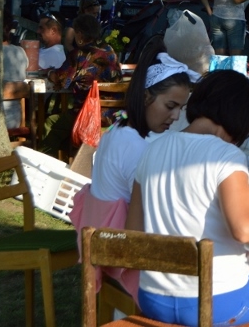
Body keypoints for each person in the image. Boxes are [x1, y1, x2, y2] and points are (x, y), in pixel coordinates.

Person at [127, 70, 249, 327]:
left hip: (153, 298)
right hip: (217, 298)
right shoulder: (226, 155)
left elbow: (133, 232)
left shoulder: (152, 150)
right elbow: (244, 230)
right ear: (240, 120)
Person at [70, 40, 198, 302]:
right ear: (146, 97)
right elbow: (158, 211)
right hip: (121, 255)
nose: (175, 116)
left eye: (181, 109)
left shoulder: (118, 129)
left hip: (106, 243)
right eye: (170, 106)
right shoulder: (134, 147)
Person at [41, 14, 122, 156]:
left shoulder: (79, 54)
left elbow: (61, 80)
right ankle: (73, 157)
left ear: (79, 34)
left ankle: (47, 163)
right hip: (115, 116)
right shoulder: (109, 51)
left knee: (51, 122)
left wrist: (49, 73)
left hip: (88, 116)